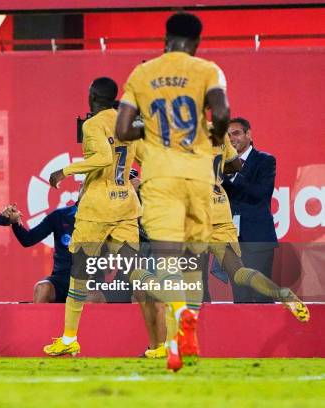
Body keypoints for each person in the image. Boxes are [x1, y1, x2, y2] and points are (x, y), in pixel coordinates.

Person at [116, 12, 230, 371]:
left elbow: (122, 128)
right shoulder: (207, 69)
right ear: (196, 42)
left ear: (165, 38)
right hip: (198, 175)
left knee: (167, 261)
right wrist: (212, 135)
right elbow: (223, 113)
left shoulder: (142, 73)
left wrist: (148, 131)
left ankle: (177, 324)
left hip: (160, 176)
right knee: (194, 260)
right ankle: (187, 329)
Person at [44, 76, 141, 357]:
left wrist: (65, 171)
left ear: (92, 96)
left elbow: (103, 158)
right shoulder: (130, 122)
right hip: (125, 204)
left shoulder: (93, 123)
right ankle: (174, 309)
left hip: (98, 207)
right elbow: (144, 158)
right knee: (133, 269)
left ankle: (69, 338)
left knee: (80, 272)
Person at [222, 117, 280, 303]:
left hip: (257, 240)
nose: (231, 139)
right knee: (241, 298)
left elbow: (260, 194)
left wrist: (234, 173)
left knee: (262, 296)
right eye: (228, 135)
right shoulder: (219, 166)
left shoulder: (265, 160)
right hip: (232, 241)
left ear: (249, 134)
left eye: (236, 133)